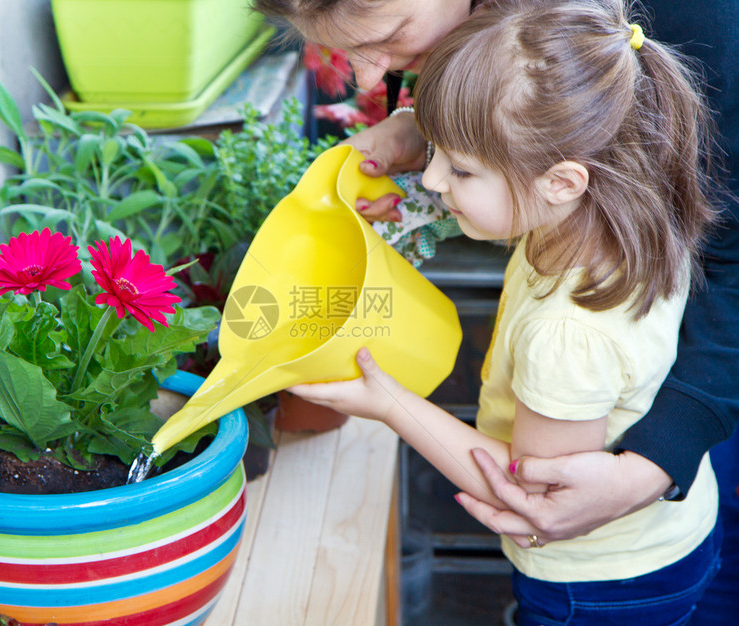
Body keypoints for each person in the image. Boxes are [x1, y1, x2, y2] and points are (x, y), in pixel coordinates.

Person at [284, 0, 724, 621]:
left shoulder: (567, 334)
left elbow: (530, 493)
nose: (432, 179)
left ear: (562, 181)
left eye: (459, 168)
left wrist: (387, 402)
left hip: (595, 584)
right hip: (672, 538)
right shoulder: (624, 220)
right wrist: (423, 204)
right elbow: (504, 196)